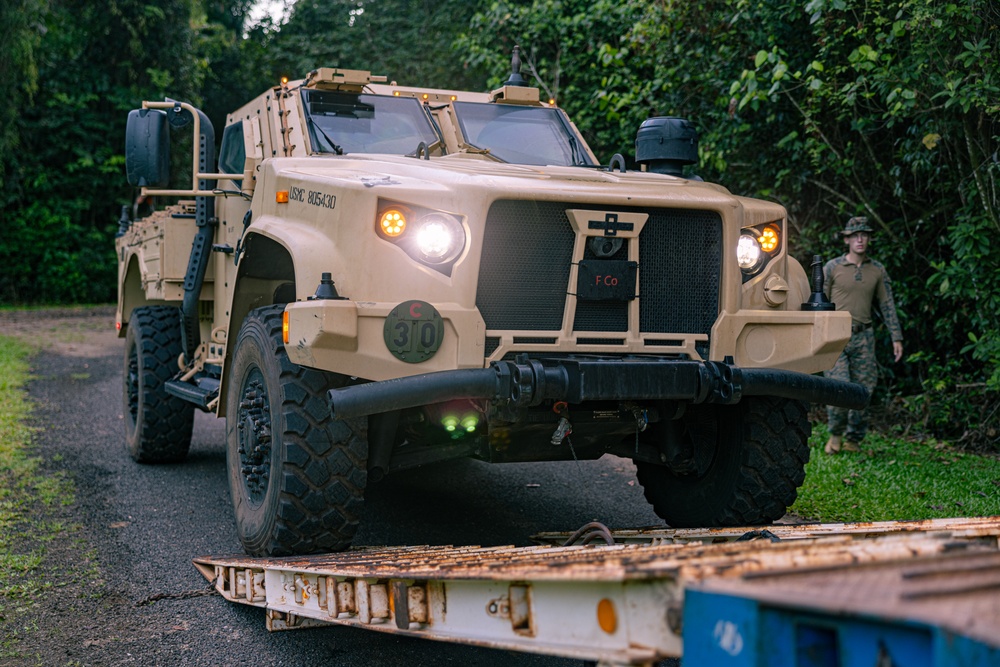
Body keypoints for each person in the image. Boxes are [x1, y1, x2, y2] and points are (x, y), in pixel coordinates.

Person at [822, 216, 904, 454]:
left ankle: (854, 439)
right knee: (838, 387)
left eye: (864, 234)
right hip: (835, 336)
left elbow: (887, 304)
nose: (860, 239)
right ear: (847, 239)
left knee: (864, 389)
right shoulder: (832, 267)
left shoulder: (877, 270)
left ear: (868, 239)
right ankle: (835, 435)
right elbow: (818, 304)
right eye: (855, 235)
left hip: (864, 337)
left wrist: (896, 337)